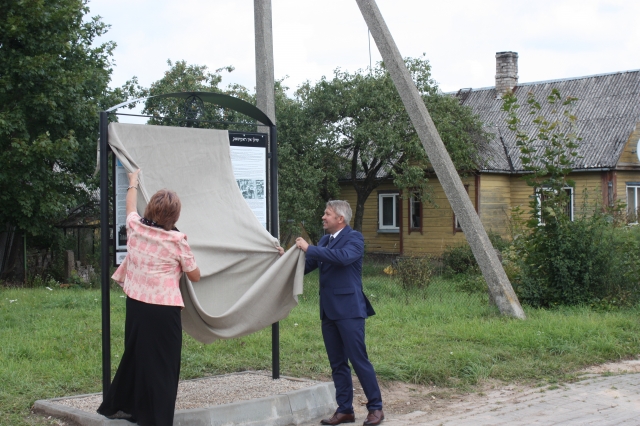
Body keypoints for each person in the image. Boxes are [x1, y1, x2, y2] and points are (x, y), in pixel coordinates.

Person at [98, 169, 201, 426]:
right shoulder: (177, 240)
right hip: (163, 309)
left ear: (150, 210)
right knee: (164, 366)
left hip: (136, 304)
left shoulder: (135, 227)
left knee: (137, 356)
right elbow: (195, 275)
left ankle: (126, 407)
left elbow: (130, 206)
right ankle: (157, 420)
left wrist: (133, 182)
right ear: (175, 216)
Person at [296, 200, 384, 426]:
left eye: (327, 214)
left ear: (340, 219)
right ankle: (345, 410)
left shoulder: (354, 239)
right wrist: (285, 258)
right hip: (328, 311)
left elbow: (343, 258)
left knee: (358, 359)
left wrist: (310, 248)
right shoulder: (325, 241)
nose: (323, 217)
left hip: (350, 311)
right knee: (337, 364)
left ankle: (376, 408)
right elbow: (307, 266)